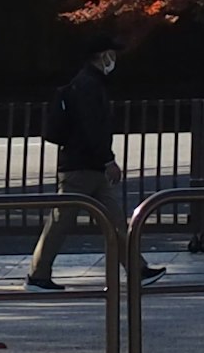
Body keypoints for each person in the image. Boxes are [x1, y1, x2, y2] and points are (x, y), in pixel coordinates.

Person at [21, 41, 157, 289]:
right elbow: (91, 127)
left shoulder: (85, 83)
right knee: (62, 222)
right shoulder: (88, 86)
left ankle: (138, 269)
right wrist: (108, 159)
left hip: (87, 166)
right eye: (111, 55)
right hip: (82, 167)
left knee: (113, 221)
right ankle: (37, 275)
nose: (114, 60)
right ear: (102, 56)